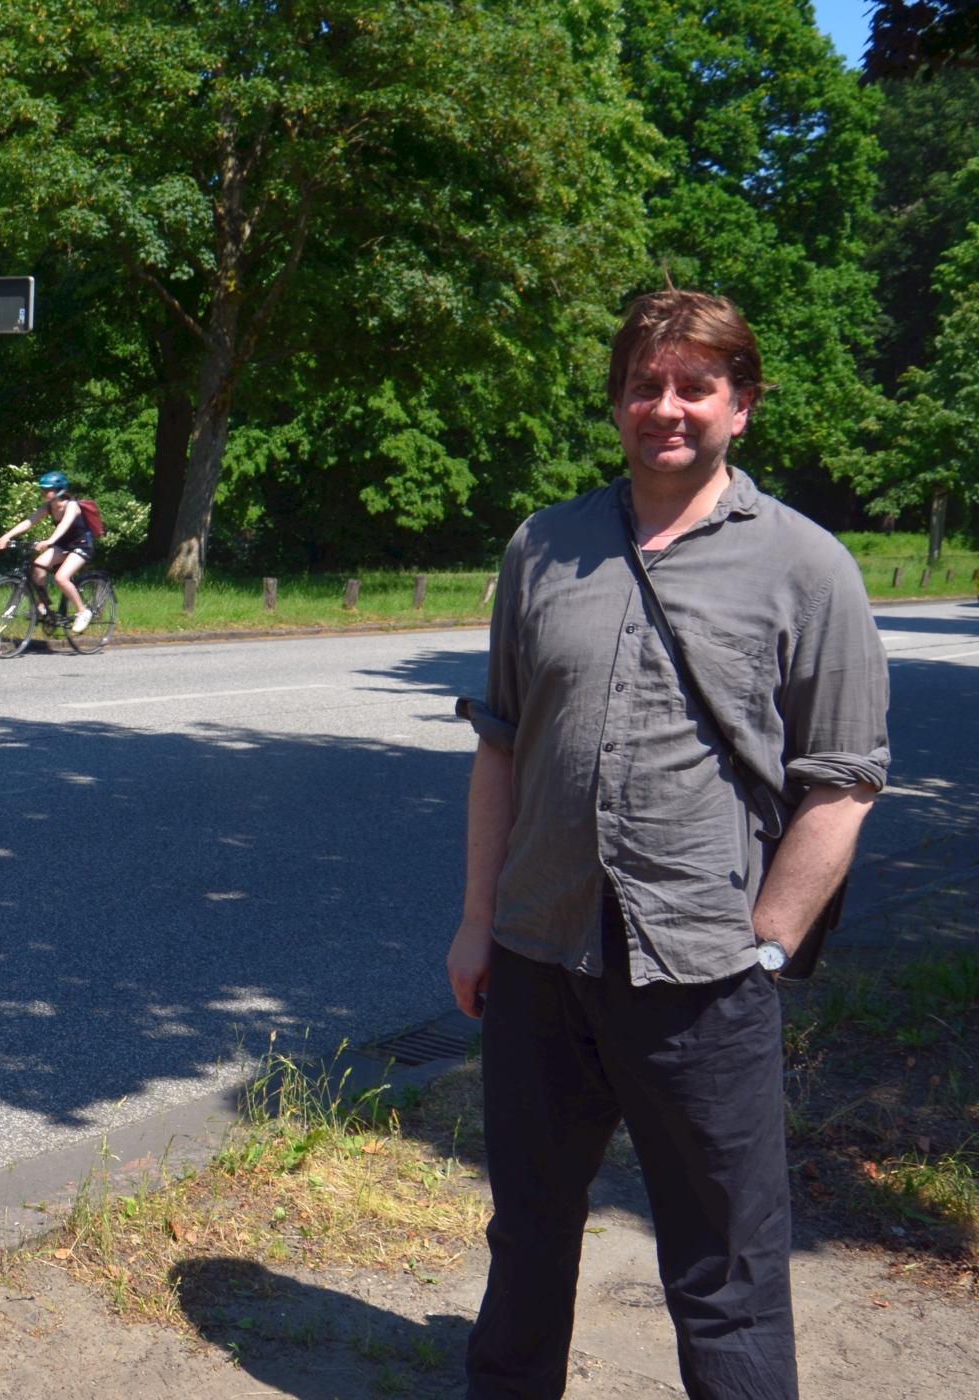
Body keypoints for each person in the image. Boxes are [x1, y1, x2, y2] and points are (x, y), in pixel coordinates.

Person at [449, 289, 889, 1400]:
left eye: (694, 385)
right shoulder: (541, 548)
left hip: (703, 978)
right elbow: (498, 746)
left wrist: (769, 942)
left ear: (739, 404)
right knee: (527, 1234)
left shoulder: (806, 565)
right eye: (644, 385)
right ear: (614, 404)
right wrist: (474, 922)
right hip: (541, 957)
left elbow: (840, 782)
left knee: (726, 1265)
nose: (666, 407)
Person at [0, 471, 95, 633]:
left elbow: (64, 525)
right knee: (38, 565)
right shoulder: (47, 507)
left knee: (61, 578)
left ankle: (83, 611)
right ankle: (42, 605)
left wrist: (49, 541)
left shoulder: (71, 506)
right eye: (43, 489)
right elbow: (29, 522)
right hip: (63, 545)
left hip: (82, 545)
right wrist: (7, 536)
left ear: (59, 490)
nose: (43, 492)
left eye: (47, 489)